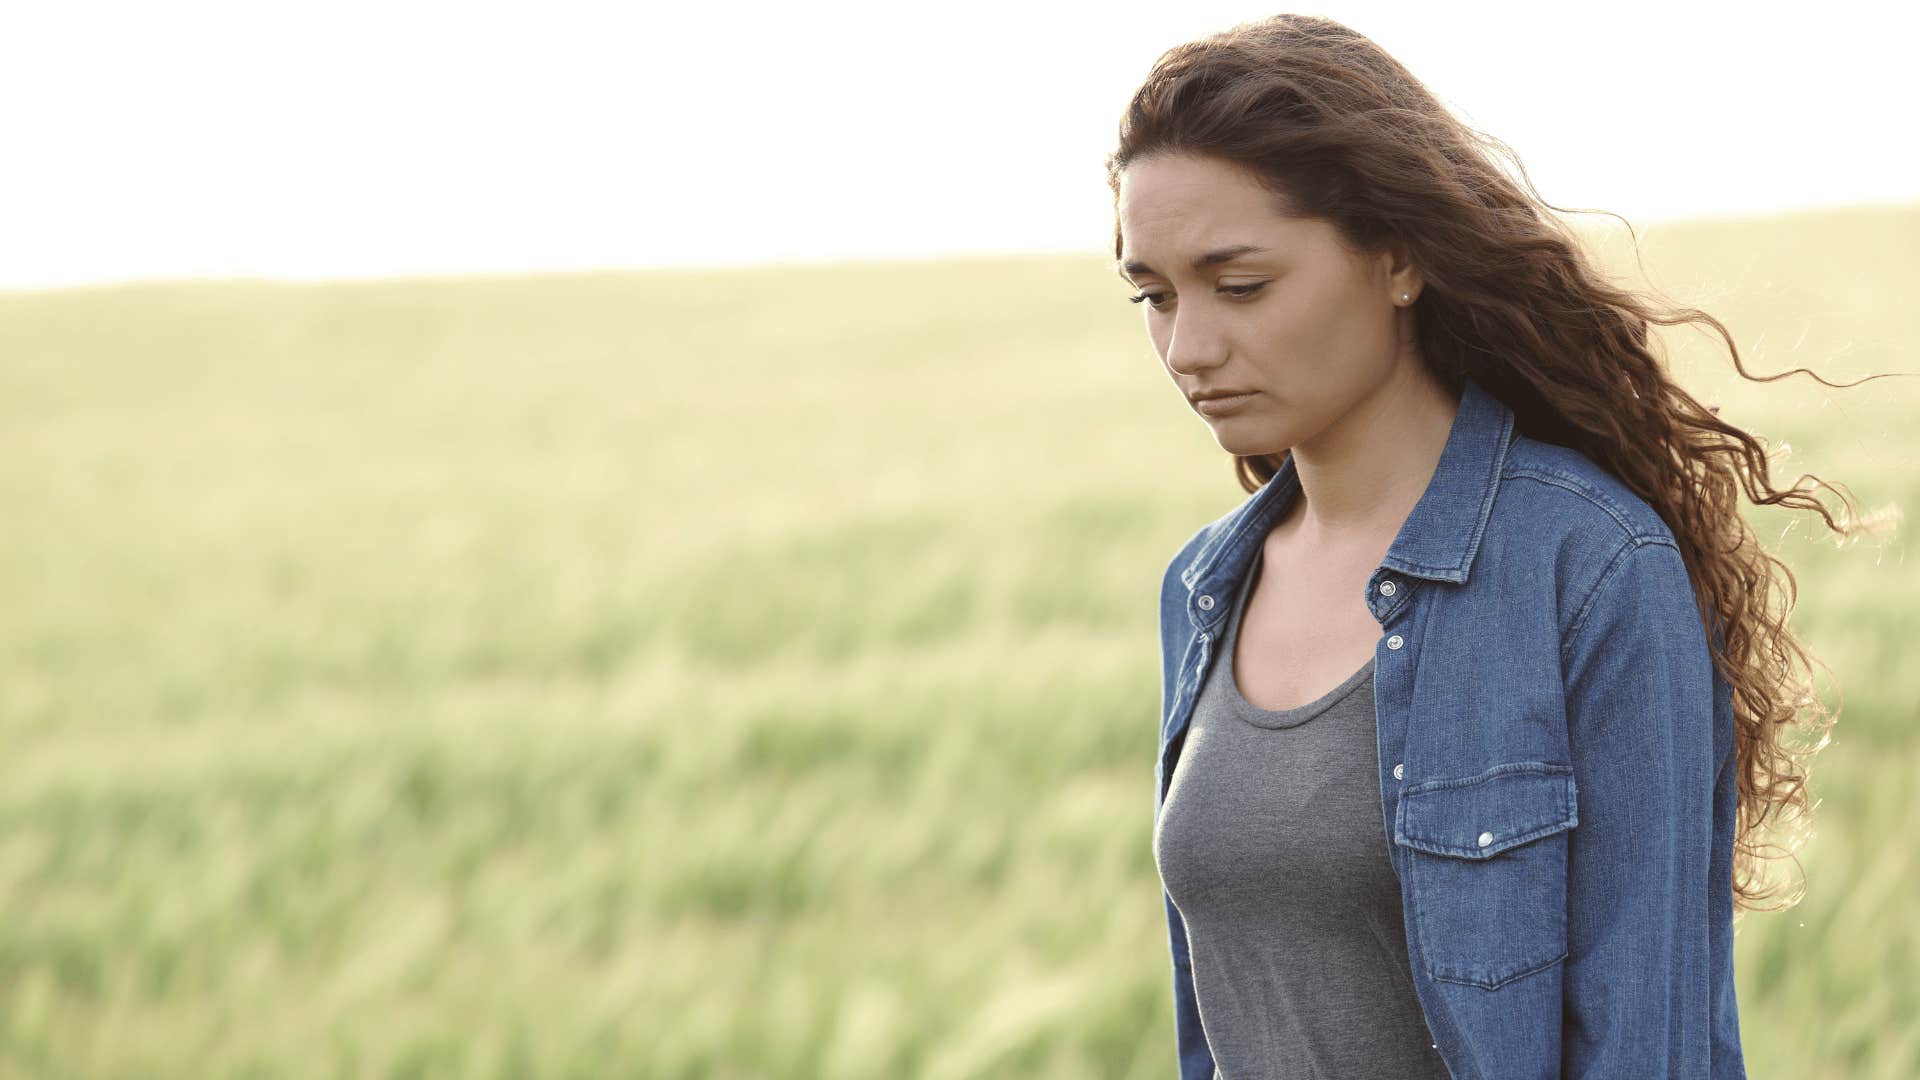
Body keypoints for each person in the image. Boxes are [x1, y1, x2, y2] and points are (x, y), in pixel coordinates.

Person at [1110, 14, 1863, 1080]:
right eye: (1153, 296)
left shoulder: (1589, 570)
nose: (1187, 347)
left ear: (1399, 258)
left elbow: (1649, 1047)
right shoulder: (1203, 588)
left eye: (1240, 287)